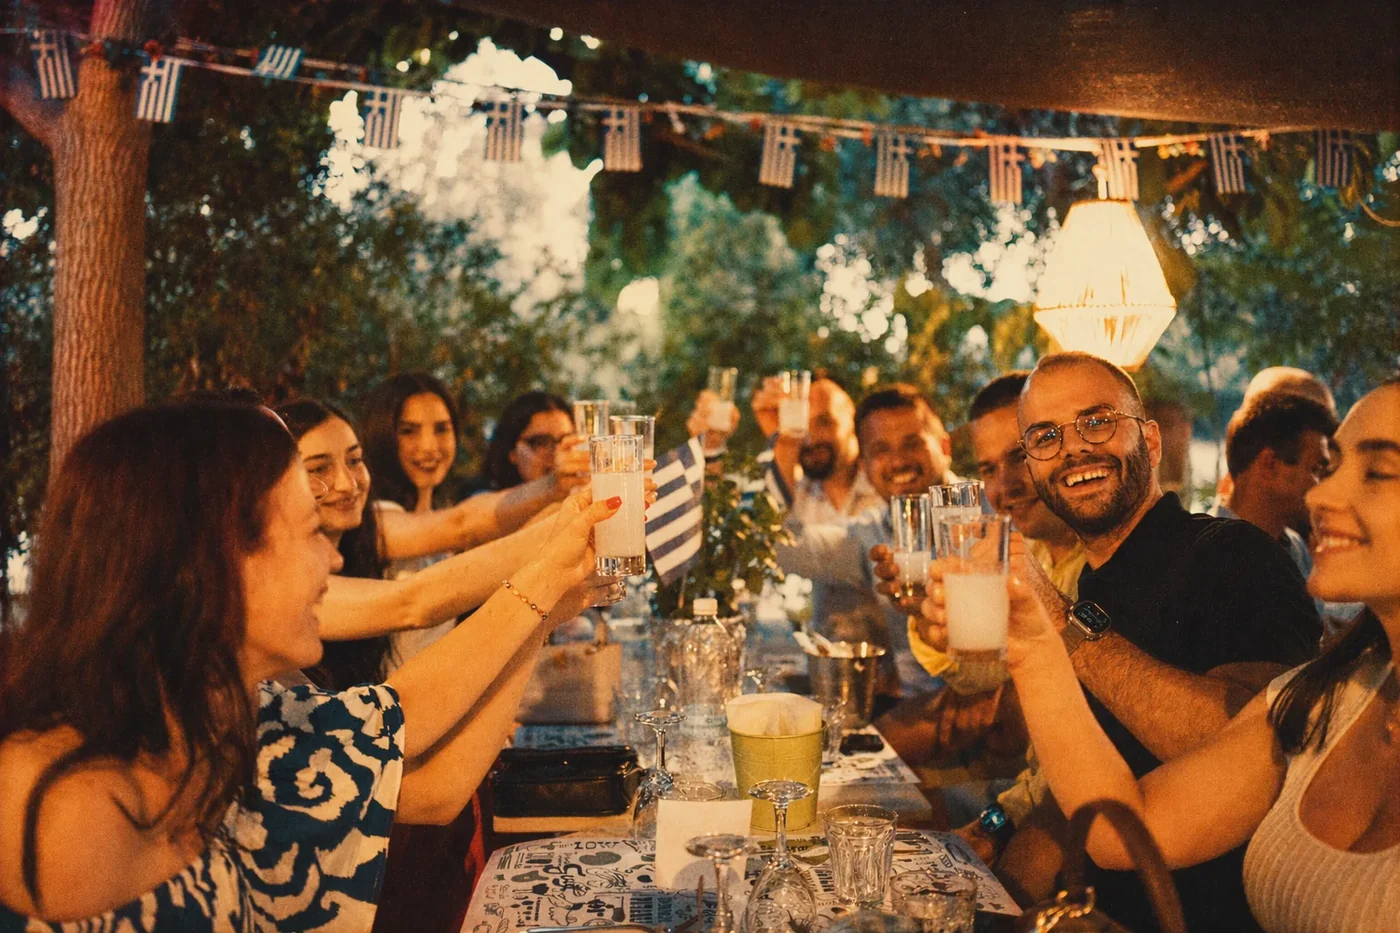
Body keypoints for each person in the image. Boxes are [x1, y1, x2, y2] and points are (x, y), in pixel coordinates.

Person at [0, 401, 617, 926]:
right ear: (214, 564)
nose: (337, 561)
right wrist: (545, 571)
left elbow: (408, 739)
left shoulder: (235, 718)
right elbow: (414, 653)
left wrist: (547, 602)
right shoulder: (58, 804)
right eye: (309, 532)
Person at [919, 375, 1400, 932]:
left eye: (1379, 472)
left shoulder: (1229, 552)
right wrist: (1031, 640)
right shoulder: (1330, 691)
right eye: (1046, 437)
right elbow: (1123, 830)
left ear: (1150, 443)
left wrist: (1057, 624)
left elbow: (1215, 734)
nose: (1318, 495)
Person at [872, 372, 1084, 863]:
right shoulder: (1028, 551)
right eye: (988, 468)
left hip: (1057, 815)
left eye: (1019, 456)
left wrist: (995, 825)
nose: (1003, 485)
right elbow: (977, 674)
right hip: (1013, 797)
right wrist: (926, 614)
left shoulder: (1089, 564)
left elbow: (1024, 741)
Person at [774, 383, 959, 703]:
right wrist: (783, 449)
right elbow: (782, 549)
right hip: (916, 707)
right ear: (865, 465)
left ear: (944, 447)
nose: (898, 461)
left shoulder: (990, 511)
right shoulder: (868, 536)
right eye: (880, 450)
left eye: (912, 444)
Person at [1210, 394, 1338, 581]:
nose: (1323, 486)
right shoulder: (1207, 553)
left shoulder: (1295, 547)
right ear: (1269, 465)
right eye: (1315, 469)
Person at [479, 391, 590, 492]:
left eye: (566, 440)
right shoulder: (482, 498)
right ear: (512, 451)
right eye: (541, 442)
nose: (557, 451)